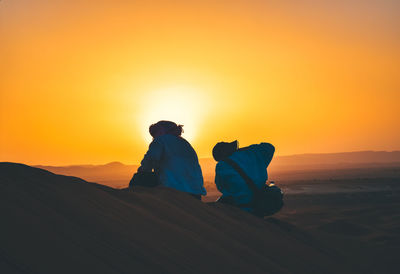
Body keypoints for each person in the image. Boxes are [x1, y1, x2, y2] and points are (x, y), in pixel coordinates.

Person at [132, 120, 206, 200]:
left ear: (161, 131)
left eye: (154, 133)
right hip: (196, 193)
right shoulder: (186, 143)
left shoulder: (160, 140)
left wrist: (142, 172)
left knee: (139, 178)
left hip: (171, 189)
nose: (153, 137)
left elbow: (148, 161)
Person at [213, 140, 275, 212]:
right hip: (261, 200)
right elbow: (270, 147)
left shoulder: (222, 165)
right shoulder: (251, 152)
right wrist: (246, 149)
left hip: (241, 206)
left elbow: (221, 187)